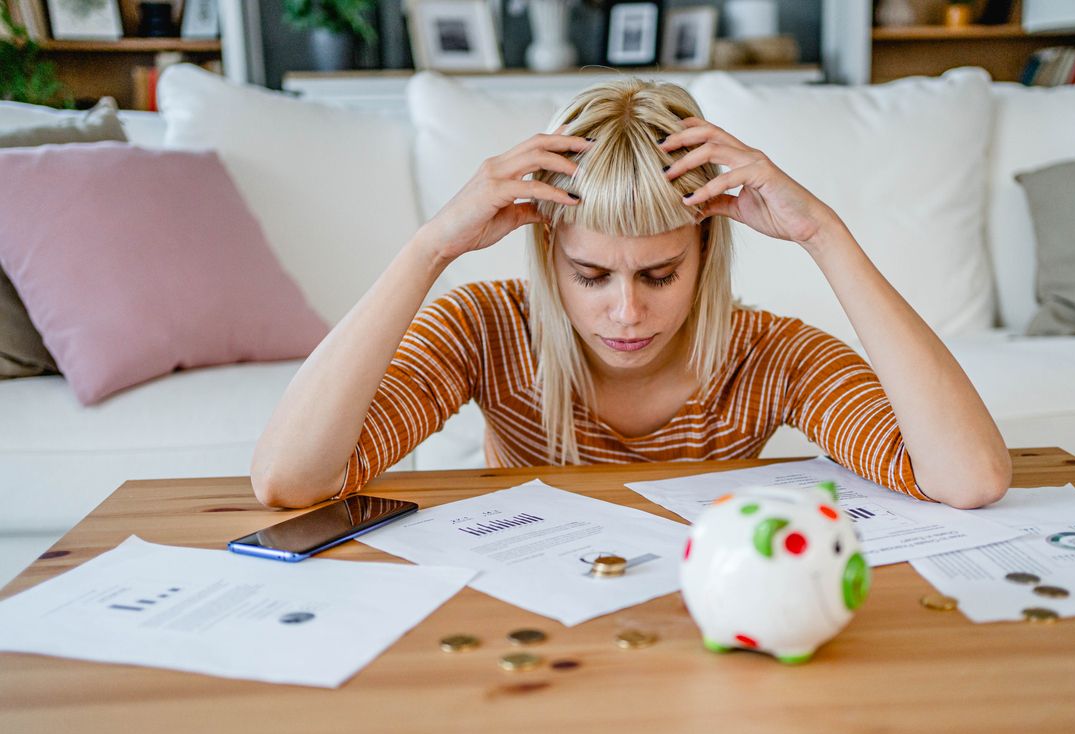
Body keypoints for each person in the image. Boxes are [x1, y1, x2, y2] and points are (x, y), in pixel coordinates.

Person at [251, 78, 1010, 511]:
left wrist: (825, 236)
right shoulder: (484, 329)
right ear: (548, 255)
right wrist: (430, 248)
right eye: (590, 275)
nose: (625, 313)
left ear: (705, 249)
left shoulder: (767, 356)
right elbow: (291, 480)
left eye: (658, 274)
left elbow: (968, 479)